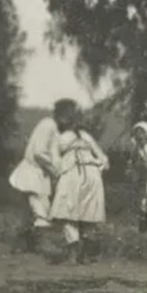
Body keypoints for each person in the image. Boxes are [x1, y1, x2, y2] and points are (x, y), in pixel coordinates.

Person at [7, 99, 77, 254]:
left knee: (28, 212)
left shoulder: (55, 131)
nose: (71, 118)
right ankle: (42, 245)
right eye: (69, 114)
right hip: (34, 173)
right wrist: (54, 171)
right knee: (41, 209)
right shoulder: (48, 125)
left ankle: (21, 245)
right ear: (62, 114)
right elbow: (39, 153)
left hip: (39, 174)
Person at [49, 110, 109, 264]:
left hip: (74, 174)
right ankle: (83, 255)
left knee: (67, 213)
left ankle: (75, 255)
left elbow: (54, 163)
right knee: (87, 213)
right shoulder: (86, 136)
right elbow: (103, 160)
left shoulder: (59, 138)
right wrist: (97, 168)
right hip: (91, 173)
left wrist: (56, 176)